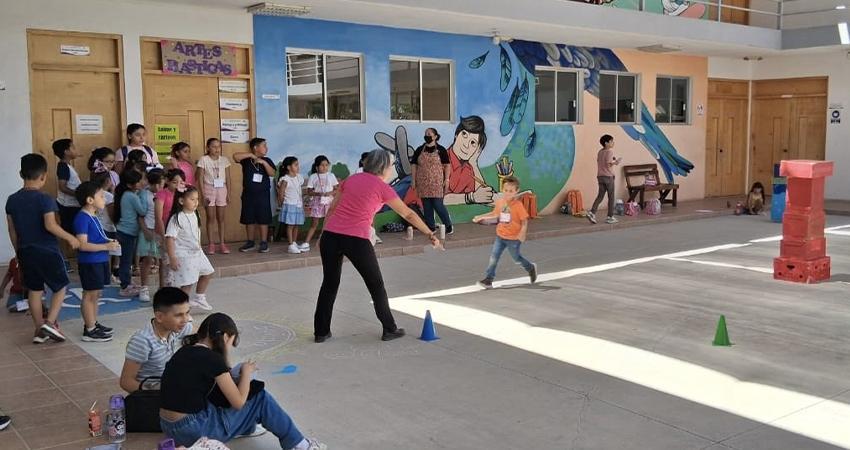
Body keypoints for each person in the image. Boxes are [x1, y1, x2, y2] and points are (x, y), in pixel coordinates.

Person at [314, 150, 440, 343]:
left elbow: (333, 208)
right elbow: (408, 214)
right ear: (383, 167)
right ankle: (389, 329)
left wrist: (323, 233)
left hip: (331, 236)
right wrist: (430, 233)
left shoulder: (351, 179)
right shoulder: (382, 188)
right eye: (390, 165)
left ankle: (321, 332)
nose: (391, 169)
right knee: (376, 285)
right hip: (356, 239)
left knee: (329, 283)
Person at [159, 313, 326, 450]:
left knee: (220, 396)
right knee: (260, 398)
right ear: (225, 337)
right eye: (231, 342)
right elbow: (238, 402)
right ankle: (300, 445)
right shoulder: (213, 360)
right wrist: (246, 372)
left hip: (169, 427)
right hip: (194, 429)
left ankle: (246, 427)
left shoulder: (186, 351)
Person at [5, 154, 80, 343]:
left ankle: (38, 329)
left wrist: (18, 251)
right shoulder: (45, 199)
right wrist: (70, 237)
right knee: (61, 286)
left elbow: (12, 231)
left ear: (21, 173)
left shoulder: (12, 200)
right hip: (47, 250)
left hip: (25, 250)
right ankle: (50, 322)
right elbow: (50, 225)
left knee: (35, 290)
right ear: (44, 176)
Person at [120, 287, 193, 393]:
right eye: (179, 315)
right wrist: (161, 393)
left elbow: (204, 333)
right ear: (159, 316)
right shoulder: (142, 341)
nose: (185, 320)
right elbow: (126, 382)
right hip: (154, 396)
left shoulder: (177, 328)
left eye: (187, 313)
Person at [73, 181, 120, 342]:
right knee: (89, 294)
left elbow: (98, 236)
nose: (104, 199)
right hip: (90, 262)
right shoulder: (82, 218)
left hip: (100, 260)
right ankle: (89, 329)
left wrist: (110, 242)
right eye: (101, 196)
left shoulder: (93, 216)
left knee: (97, 294)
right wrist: (106, 245)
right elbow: (83, 244)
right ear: (90, 200)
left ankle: (93, 322)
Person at [473, 175, 537, 289]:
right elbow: (494, 214)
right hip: (500, 235)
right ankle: (489, 279)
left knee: (516, 258)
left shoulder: (518, 206)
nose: (508, 193)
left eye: (511, 191)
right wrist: (480, 217)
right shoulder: (500, 202)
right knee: (494, 256)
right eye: (506, 190)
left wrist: (522, 233)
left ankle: (530, 268)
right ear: (502, 190)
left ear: (516, 191)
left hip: (513, 238)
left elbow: (524, 221)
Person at [165, 186, 214, 311]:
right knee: (187, 283)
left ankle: (200, 297)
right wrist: (172, 257)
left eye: (197, 199)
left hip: (197, 252)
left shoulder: (195, 214)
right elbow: (170, 238)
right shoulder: (176, 218)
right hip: (184, 255)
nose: (196, 202)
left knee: (208, 272)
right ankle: (183, 310)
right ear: (181, 201)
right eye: (192, 199)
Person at [234, 138, 275, 254]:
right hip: (248, 194)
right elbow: (235, 157)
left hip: (263, 194)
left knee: (263, 218)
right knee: (249, 218)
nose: (266, 148)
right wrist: (251, 155)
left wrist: (263, 163)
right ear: (256, 148)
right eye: (264, 145)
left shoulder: (267, 160)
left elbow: (272, 173)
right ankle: (250, 242)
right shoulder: (247, 160)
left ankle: (263, 243)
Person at [444, 116, 494, 205]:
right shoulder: (441, 160)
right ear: (456, 135)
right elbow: (438, 198)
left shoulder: (468, 169)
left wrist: (474, 164)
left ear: (477, 150)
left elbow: (482, 195)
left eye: (473, 143)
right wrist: (472, 197)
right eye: (464, 135)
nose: (466, 145)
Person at [411, 127, 453, 234]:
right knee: (427, 206)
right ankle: (431, 227)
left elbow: (447, 165)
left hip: (436, 182)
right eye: (425, 134)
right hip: (423, 182)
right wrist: (413, 180)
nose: (427, 136)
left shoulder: (441, 150)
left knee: (438, 205)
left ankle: (448, 225)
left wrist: (447, 179)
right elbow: (414, 165)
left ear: (435, 136)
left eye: (429, 134)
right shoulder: (420, 149)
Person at [113, 169, 147, 297]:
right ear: (129, 184)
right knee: (126, 260)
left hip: (123, 230)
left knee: (126, 259)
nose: (141, 183)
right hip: (128, 232)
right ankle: (125, 286)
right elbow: (142, 211)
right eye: (138, 182)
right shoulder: (132, 196)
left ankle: (126, 282)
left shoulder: (125, 194)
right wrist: (143, 194)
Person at [197, 138, 231, 255]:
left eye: (218, 146)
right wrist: (202, 194)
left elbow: (228, 178)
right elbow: (200, 178)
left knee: (221, 218)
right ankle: (211, 244)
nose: (217, 149)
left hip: (222, 188)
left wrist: (229, 193)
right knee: (210, 217)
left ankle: (222, 243)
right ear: (208, 148)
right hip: (209, 188)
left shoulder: (224, 160)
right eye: (213, 146)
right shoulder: (203, 160)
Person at [138, 169, 165, 302]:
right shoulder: (144, 194)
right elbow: (141, 215)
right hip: (148, 229)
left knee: (162, 260)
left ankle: (162, 288)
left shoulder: (164, 194)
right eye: (156, 184)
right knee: (148, 259)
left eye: (161, 184)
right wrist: (146, 231)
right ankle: (144, 287)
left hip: (161, 230)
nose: (158, 187)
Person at [53, 139, 81, 267]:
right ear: (66, 151)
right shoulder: (63, 167)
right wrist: (79, 194)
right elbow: (62, 187)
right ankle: (64, 261)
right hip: (68, 207)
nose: (76, 149)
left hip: (72, 206)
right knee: (67, 233)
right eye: (73, 147)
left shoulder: (67, 166)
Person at [303, 155, 339, 251]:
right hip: (317, 202)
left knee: (329, 223)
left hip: (329, 202)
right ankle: (306, 243)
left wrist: (330, 193)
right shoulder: (313, 176)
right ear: (316, 167)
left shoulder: (331, 175)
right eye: (322, 165)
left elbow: (337, 189)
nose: (325, 167)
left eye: (326, 165)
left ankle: (330, 242)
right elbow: (309, 191)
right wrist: (318, 193)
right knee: (314, 223)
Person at [587, 134, 622, 225]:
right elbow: (608, 164)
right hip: (608, 177)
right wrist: (616, 162)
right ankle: (610, 217)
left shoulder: (600, 152)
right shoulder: (609, 152)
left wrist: (612, 161)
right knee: (611, 197)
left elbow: (602, 162)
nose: (612, 143)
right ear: (606, 143)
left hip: (600, 177)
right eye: (611, 141)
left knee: (600, 196)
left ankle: (592, 212)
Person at [277, 157, 306, 254]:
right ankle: (290, 244)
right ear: (289, 167)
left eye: (298, 164)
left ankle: (294, 242)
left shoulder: (299, 177)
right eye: (295, 165)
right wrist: (281, 204)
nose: (298, 167)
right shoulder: (285, 179)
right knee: (290, 225)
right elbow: (281, 193)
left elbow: (300, 189)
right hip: (289, 204)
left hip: (298, 205)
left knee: (297, 225)